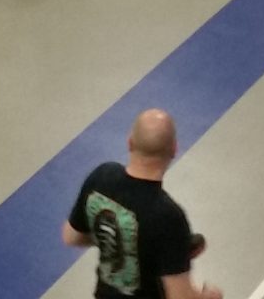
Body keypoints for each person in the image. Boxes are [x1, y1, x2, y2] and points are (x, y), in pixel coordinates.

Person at [63, 108, 222, 299]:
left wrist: (127, 244)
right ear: (174, 149)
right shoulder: (168, 217)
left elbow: (71, 237)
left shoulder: (101, 177)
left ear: (130, 142)